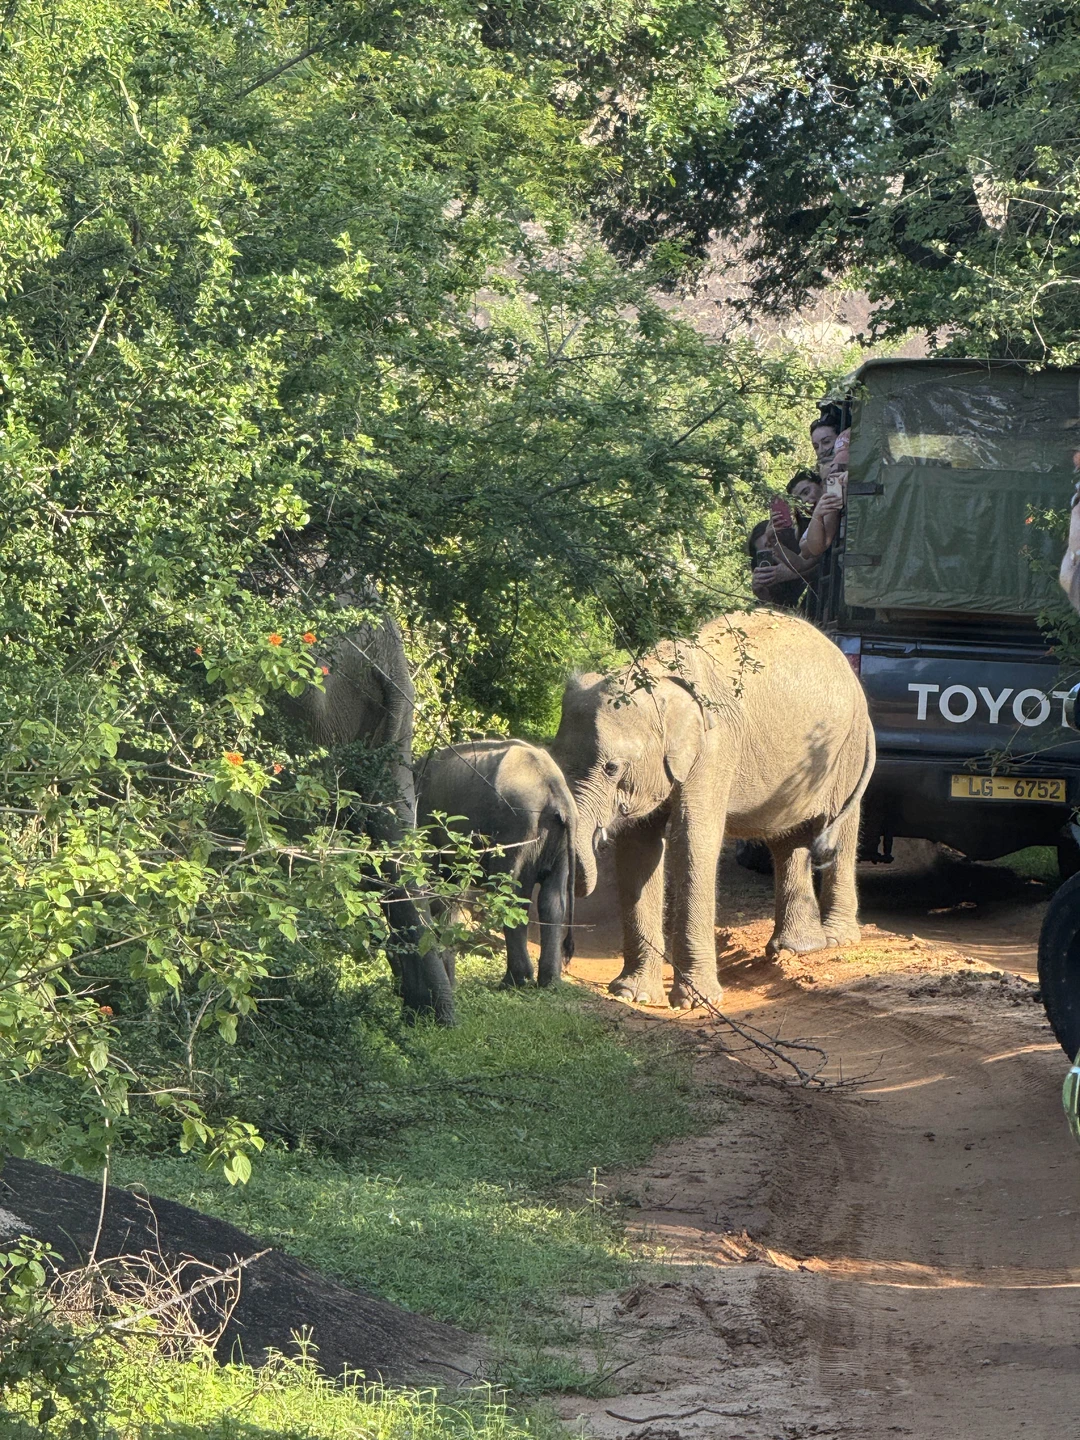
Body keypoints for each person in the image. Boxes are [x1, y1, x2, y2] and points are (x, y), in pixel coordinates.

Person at [748, 519, 805, 608]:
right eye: (763, 554)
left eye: (771, 545)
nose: (771, 552)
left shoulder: (804, 546)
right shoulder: (773, 577)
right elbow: (786, 609)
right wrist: (765, 597)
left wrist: (792, 571)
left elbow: (817, 564)